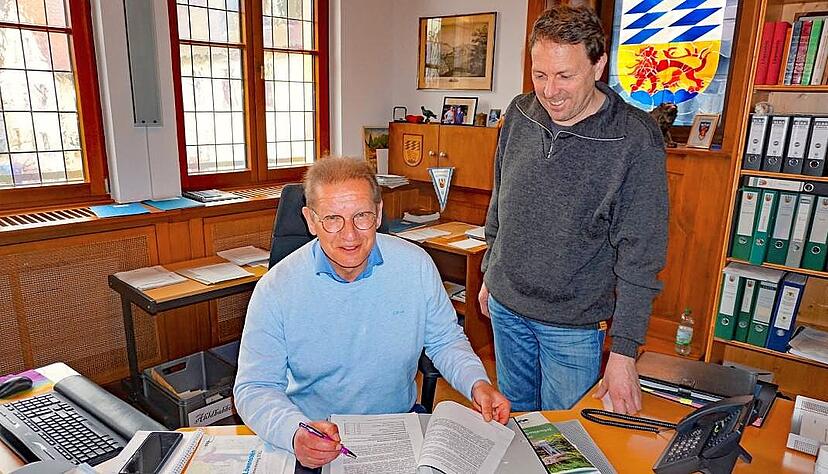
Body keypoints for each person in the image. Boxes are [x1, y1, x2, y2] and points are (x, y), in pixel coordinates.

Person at [234, 157, 510, 469]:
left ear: (378, 214)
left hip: (398, 431)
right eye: (332, 219)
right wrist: (294, 433)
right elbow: (254, 387)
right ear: (310, 221)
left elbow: (445, 340)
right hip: (317, 437)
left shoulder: (415, 266)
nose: (349, 235)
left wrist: (478, 383)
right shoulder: (276, 288)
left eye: (361, 216)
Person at [478, 5, 667, 415]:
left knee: (566, 441)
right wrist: (489, 273)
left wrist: (624, 352)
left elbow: (642, 255)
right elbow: (501, 201)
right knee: (517, 424)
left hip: (572, 325)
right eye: (540, 74)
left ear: (598, 65)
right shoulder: (520, 112)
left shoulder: (634, 139)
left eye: (565, 75)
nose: (550, 90)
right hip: (506, 307)